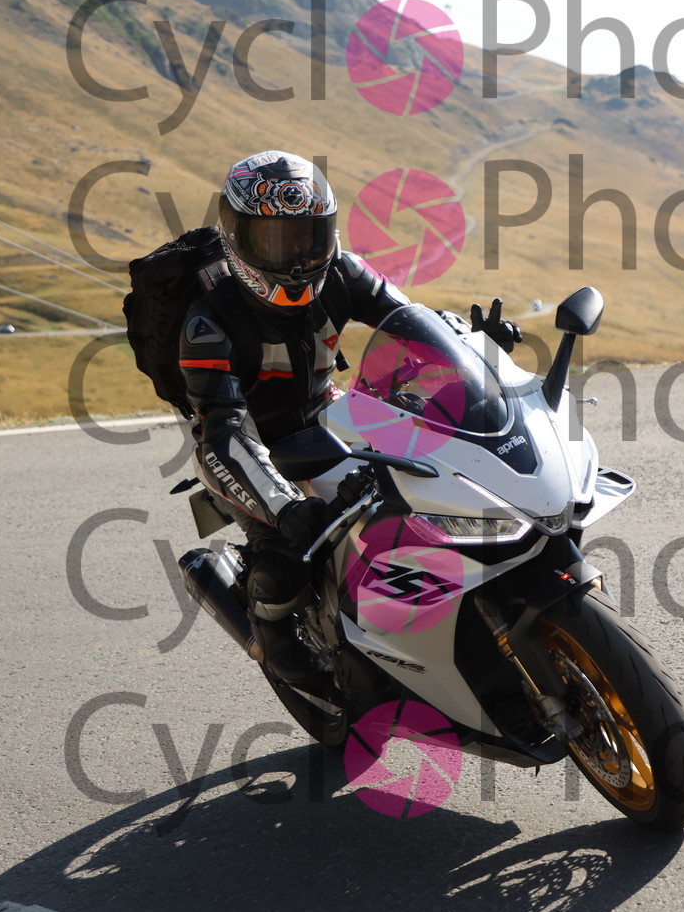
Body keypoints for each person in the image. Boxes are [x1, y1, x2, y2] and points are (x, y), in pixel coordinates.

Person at [178, 150, 521, 683]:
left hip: (330, 414)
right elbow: (223, 430)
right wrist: (285, 508)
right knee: (287, 560)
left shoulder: (342, 270)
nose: (298, 256)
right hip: (246, 449)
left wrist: (471, 347)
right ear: (237, 239)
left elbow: (410, 320)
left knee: (433, 481)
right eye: (277, 240)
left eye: (309, 236)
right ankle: (271, 636)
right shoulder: (208, 322)